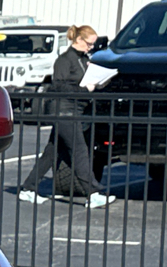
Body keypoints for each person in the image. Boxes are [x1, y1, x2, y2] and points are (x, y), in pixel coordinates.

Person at [20, 24, 112, 208]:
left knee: (52, 152)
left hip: (74, 110)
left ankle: (28, 189)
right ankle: (92, 193)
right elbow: (58, 86)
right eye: (89, 43)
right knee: (79, 151)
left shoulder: (83, 59)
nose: (91, 47)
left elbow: (88, 81)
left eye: (93, 44)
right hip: (64, 111)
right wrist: (84, 89)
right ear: (78, 40)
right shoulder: (64, 60)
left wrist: (104, 79)